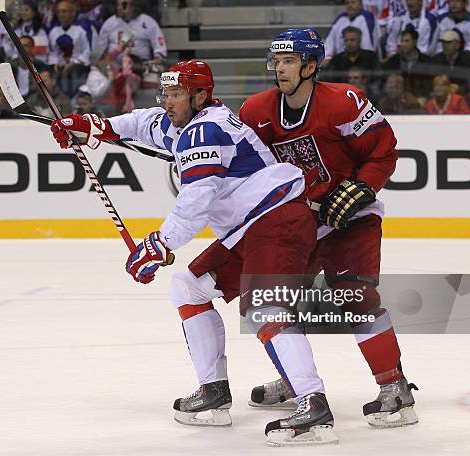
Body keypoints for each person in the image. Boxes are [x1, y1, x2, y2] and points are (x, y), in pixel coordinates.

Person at [49, 60, 325, 445]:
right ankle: (213, 393)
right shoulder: (187, 121)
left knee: (264, 306)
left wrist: (159, 244)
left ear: (200, 96)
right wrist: (96, 126)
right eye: (166, 93)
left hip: (276, 219)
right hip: (251, 227)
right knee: (188, 287)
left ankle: (313, 406)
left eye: (176, 94)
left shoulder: (205, 130)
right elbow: (144, 123)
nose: (168, 102)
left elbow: (195, 201)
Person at [238, 28, 418, 439]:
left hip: (350, 219)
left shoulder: (343, 101)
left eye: (288, 61)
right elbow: (245, 162)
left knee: (355, 297)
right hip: (298, 222)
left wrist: (363, 186)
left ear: (311, 65)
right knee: (276, 302)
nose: (279, 68)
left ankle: (395, 388)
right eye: (276, 61)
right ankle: (298, 385)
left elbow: (383, 150)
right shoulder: (256, 109)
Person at [47, 0, 92, 97]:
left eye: (64, 11)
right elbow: (52, 53)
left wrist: (74, 63)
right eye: (59, 11)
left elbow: (87, 51)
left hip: (78, 67)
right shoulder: (53, 32)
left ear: (73, 13)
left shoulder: (81, 31)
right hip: (60, 68)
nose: (61, 14)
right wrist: (55, 63)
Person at [383, 28, 434, 99]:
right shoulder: (393, 61)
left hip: (421, 98)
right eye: (402, 41)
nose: (403, 44)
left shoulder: (427, 61)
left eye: (407, 41)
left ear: (415, 42)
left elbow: (430, 85)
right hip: (397, 99)